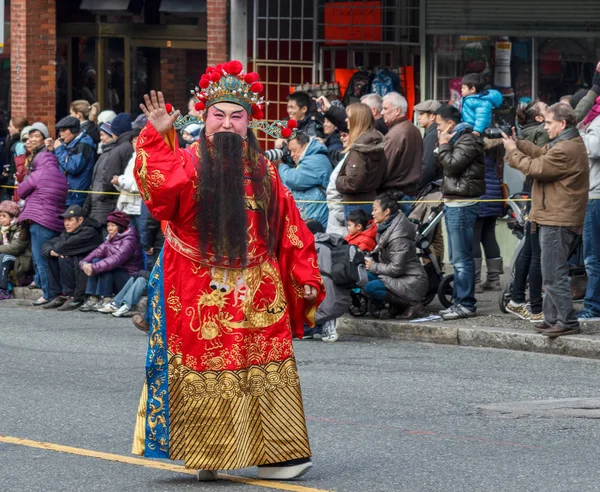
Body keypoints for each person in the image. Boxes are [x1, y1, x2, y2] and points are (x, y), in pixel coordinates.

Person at [131, 60, 324, 481]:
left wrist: (305, 275)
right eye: (218, 115)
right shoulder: (186, 162)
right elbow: (160, 195)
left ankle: (279, 454)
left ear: (249, 123)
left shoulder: (266, 170)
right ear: (203, 118)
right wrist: (157, 136)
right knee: (206, 365)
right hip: (196, 281)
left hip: (258, 285)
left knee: (267, 369)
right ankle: (207, 451)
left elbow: (290, 227)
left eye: (237, 117)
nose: (227, 124)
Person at [504, 103, 589, 337]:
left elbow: (536, 167)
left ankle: (567, 321)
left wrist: (513, 151)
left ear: (562, 124)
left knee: (553, 274)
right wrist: (518, 143)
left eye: (549, 123)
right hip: (554, 216)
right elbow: (541, 154)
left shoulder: (566, 149)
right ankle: (553, 318)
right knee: (550, 271)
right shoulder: (565, 143)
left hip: (558, 219)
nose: (545, 126)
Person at [434, 104, 484, 320]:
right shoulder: (459, 139)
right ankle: (458, 301)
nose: (437, 130)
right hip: (454, 203)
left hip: (463, 205)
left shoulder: (467, 140)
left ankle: (465, 303)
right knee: (456, 257)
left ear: (450, 124)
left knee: (462, 258)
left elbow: (453, 166)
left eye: (439, 125)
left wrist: (443, 145)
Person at [505, 101, 548, 322]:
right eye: (546, 108)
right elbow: (541, 163)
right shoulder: (542, 132)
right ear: (540, 119)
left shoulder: (527, 133)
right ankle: (532, 305)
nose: (549, 109)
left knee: (530, 250)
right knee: (535, 252)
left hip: (532, 192)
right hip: (538, 194)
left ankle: (517, 299)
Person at [17, 123, 68, 306]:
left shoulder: (39, 172)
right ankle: (56, 291)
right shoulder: (60, 174)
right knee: (52, 257)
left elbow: (21, 190)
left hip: (39, 219)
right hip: (55, 220)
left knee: (41, 258)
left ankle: (47, 293)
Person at [364, 193, 428, 320]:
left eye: (375, 210)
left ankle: (412, 304)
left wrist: (373, 266)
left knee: (370, 288)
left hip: (411, 280)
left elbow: (396, 269)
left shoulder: (399, 235)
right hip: (397, 276)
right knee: (363, 276)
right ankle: (397, 305)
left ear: (386, 211)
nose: (372, 213)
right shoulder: (386, 226)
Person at [41, 204, 103, 310]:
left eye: (70, 220)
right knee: (53, 257)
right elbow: (47, 245)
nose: (66, 224)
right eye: (65, 220)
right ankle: (61, 295)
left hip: (88, 267)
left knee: (67, 258)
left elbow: (63, 246)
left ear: (80, 220)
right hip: (74, 264)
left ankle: (75, 297)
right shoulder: (69, 232)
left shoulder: (89, 231)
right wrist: (51, 251)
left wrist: (57, 250)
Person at [79, 210, 142, 311]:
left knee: (106, 266)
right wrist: (83, 263)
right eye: (108, 225)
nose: (109, 228)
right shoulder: (110, 239)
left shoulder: (130, 240)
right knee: (95, 260)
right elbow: (97, 252)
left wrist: (93, 268)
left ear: (120, 226)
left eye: (113, 225)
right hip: (115, 274)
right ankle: (94, 296)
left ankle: (106, 298)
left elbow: (117, 259)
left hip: (128, 278)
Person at [572, 99, 600, 322]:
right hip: (592, 194)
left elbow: (594, 148)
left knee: (593, 257)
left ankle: (593, 307)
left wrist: (578, 134)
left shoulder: (598, 121)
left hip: (596, 195)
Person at [335, 102, 387, 218]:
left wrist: (338, 181)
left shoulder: (359, 149)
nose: (346, 120)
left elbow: (353, 183)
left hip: (355, 204)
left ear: (357, 120)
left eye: (349, 117)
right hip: (368, 201)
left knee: (357, 237)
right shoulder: (373, 144)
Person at [304, 219, 352, 342]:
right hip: (343, 298)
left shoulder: (312, 246)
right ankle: (316, 327)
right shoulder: (335, 244)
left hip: (324, 299)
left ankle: (323, 324)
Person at [85, 113, 134, 231]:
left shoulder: (116, 151)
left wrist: (102, 195)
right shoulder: (107, 152)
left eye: (103, 134)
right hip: (101, 203)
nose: (101, 138)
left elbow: (108, 179)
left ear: (112, 134)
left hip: (105, 203)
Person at [380, 92, 423, 215]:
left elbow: (384, 167)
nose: (382, 112)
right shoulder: (413, 129)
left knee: (397, 233)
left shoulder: (396, 134)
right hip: (409, 193)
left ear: (397, 110)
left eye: (385, 108)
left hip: (397, 196)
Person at [278, 131, 332, 229]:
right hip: (309, 217)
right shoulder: (309, 158)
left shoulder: (317, 160)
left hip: (315, 223)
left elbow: (293, 179)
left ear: (305, 145)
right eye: (290, 151)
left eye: (294, 150)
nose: (292, 155)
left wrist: (281, 165)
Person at [473, 139, 505, 293]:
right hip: (495, 194)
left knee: (474, 237)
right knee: (489, 235)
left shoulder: (476, 143)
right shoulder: (497, 144)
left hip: (480, 193)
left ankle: (475, 282)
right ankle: (494, 280)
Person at [53, 115, 96, 207]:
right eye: (60, 131)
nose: (61, 134)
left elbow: (73, 167)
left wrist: (59, 149)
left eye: (64, 130)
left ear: (74, 130)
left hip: (76, 197)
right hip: (66, 194)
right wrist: (52, 150)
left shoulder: (84, 144)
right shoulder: (68, 143)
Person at [112, 128, 142, 232]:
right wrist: (118, 183)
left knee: (141, 240)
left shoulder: (148, 159)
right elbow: (127, 185)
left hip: (139, 208)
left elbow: (142, 186)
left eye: (139, 139)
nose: (136, 143)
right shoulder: (133, 158)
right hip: (127, 207)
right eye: (134, 140)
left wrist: (121, 181)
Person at [0, 200, 32, 299]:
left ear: (13, 217)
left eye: (4, 216)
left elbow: (15, 248)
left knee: (3, 257)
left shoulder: (20, 227)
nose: (0, 218)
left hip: (22, 259)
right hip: (9, 255)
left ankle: (3, 290)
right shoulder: (2, 228)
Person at [325, 130, 349, 237]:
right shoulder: (347, 157)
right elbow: (332, 190)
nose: (341, 138)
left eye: (345, 135)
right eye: (341, 135)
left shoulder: (350, 156)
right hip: (339, 224)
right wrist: (341, 216)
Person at [414, 99, 442, 190]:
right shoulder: (432, 133)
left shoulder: (433, 135)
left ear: (433, 117)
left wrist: (417, 187)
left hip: (433, 187)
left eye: (421, 114)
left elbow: (427, 167)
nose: (418, 117)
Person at [1, 116, 29, 200]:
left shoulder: (19, 145)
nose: (8, 128)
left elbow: (17, 166)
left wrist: (10, 180)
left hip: (14, 183)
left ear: (17, 129)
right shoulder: (10, 141)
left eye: (10, 126)